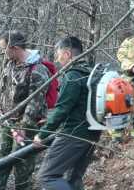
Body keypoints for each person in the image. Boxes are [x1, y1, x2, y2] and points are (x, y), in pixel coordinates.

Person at [34, 36, 101, 190]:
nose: (57, 59)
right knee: (73, 178)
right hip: (92, 133)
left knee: (47, 177)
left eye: (58, 55)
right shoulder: (90, 73)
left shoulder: (73, 76)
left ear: (67, 54)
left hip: (74, 134)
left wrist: (42, 134)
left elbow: (62, 109)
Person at [0, 30, 50, 190]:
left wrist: (23, 128)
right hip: (7, 124)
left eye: (4, 49)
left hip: (26, 128)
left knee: (22, 172)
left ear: (14, 47)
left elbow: (35, 104)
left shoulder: (38, 70)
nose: (3, 52)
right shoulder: (9, 64)